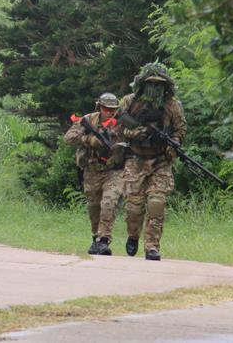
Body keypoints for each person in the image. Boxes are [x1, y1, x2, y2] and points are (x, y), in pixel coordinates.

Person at [114, 62, 186, 261]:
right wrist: (135, 133)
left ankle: (152, 246)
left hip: (160, 161)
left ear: (166, 86)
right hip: (135, 159)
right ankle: (133, 235)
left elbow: (180, 130)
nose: (154, 88)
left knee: (157, 203)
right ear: (143, 84)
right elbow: (117, 129)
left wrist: (174, 143)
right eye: (150, 83)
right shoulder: (129, 102)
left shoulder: (173, 105)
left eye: (159, 84)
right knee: (134, 207)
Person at [63, 92, 124, 255]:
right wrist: (88, 140)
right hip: (92, 170)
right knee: (94, 206)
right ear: (99, 107)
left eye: (113, 109)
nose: (110, 112)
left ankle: (104, 240)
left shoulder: (121, 123)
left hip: (114, 170)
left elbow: (133, 139)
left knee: (109, 203)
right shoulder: (89, 120)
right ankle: (96, 238)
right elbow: (69, 138)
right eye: (106, 109)